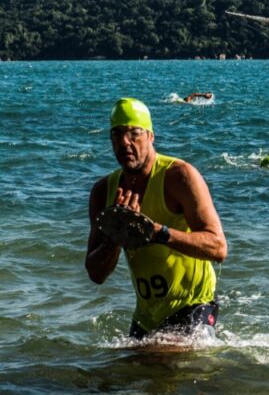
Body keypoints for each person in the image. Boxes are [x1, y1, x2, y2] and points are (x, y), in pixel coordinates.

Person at [86, 98, 228, 340]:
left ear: (151, 136)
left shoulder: (179, 177)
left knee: (156, 359)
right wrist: (116, 236)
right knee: (110, 375)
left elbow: (218, 247)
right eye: (117, 134)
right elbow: (95, 274)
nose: (125, 142)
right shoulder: (103, 193)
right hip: (146, 316)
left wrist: (157, 233)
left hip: (194, 305)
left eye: (134, 133)